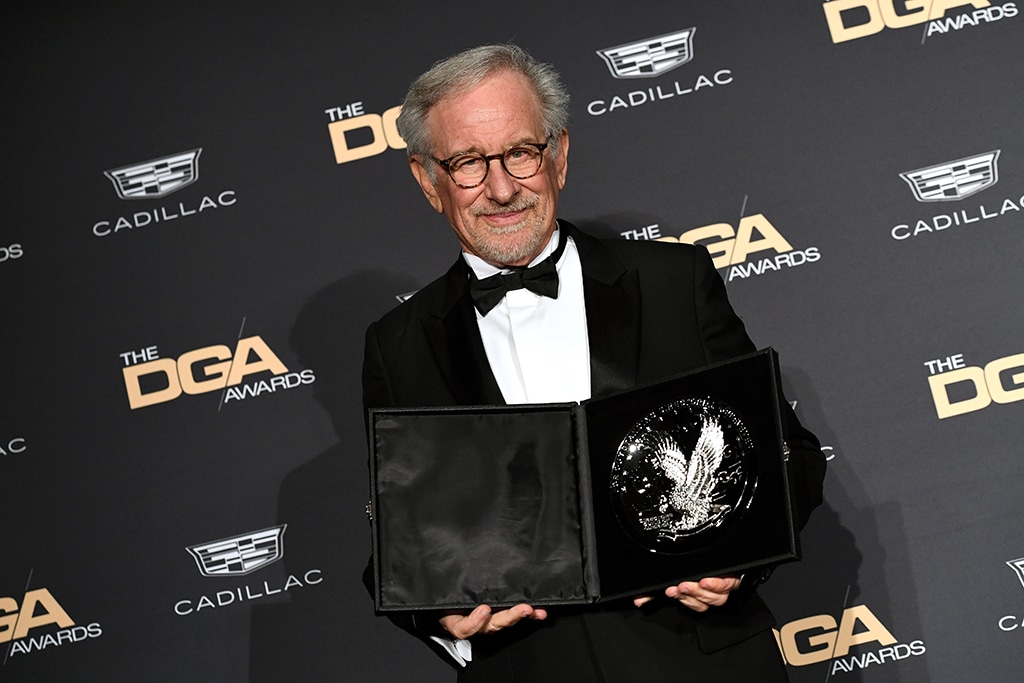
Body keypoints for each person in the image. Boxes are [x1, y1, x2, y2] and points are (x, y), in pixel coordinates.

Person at [362, 43, 826, 683]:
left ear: (558, 154)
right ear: (427, 180)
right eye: (468, 163)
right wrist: (439, 615)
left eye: (520, 152)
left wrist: (739, 561)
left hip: (698, 660)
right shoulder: (398, 344)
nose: (501, 189)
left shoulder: (673, 282)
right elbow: (398, 540)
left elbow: (789, 455)